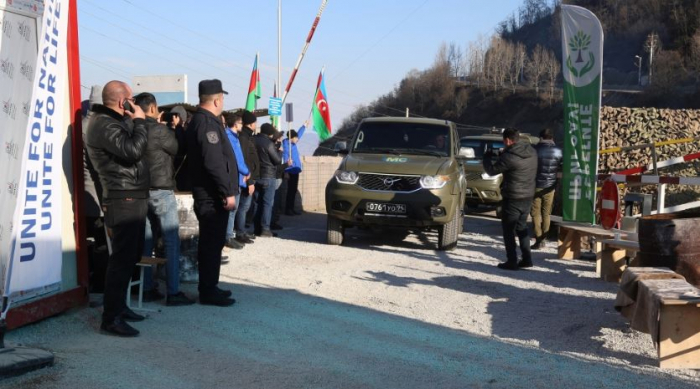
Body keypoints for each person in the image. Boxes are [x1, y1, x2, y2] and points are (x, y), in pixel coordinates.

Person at [86, 80, 149, 337]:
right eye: (131, 98)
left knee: (130, 256)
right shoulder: (103, 124)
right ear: (123, 100)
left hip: (132, 194)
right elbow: (132, 151)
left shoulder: (113, 121)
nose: (134, 103)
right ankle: (110, 318)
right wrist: (141, 121)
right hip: (123, 197)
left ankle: (120, 307)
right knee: (121, 260)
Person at [134, 92, 194, 306]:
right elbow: (178, 149)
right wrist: (175, 128)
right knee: (171, 240)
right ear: (152, 108)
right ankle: (173, 292)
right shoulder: (159, 131)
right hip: (161, 190)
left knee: (146, 242)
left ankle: (147, 288)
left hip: (141, 191)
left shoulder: (133, 128)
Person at [186, 79, 238, 306]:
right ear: (217, 100)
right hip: (211, 195)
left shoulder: (206, 121)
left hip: (211, 193)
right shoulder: (206, 123)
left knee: (214, 243)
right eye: (222, 98)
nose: (223, 102)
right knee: (210, 243)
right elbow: (214, 162)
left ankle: (211, 286)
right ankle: (207, 291)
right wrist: (227, 191)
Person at [483, 128, 538, 270]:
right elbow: (515, 158)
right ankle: (527, 259)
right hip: (528, 195)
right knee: (522, 227)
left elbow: (491, 170)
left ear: (507, 140)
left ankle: (512, 261)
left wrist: (487, 157)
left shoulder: (509, 156)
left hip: (513, 197)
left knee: (508, 230)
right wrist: (503, 152)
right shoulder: (531, 152)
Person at [223, 112, 252, 248]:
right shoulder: (229, 137)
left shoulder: (235, 137)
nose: (242, 125)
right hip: (233, 178)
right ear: (235, 124)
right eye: (240, 123)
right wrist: (246, 171)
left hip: (239, 177)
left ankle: (230, 234)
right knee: (232, 209)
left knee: (234, 209)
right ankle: (227, 237)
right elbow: (236, 159)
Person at [531, 128, 563, 250]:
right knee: (546, 213)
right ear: (552, 138)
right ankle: (544, 238)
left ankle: (538, 238)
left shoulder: (535, 149)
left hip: (535, 185)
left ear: (541, 137)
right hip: (550, 186)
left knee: (535, 213)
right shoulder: (559, 151)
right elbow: (561, 165)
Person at [253, 123, 283, 237]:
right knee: (267, 204)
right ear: (269, 133)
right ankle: (265, 229)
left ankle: (256, 229)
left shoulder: (253, 140)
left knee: (257, 203)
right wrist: (280, 151)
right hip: (268, 176)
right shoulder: (268, 144)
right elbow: (277, 160)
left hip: (256, 176)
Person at [236, 111, 259, 239]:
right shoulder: (243, 138)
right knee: (243, 207)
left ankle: (242, 230)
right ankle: (240, 232)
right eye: (255, 122)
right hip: (246, 179)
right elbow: (244, 160)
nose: (256, 124)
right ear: (250, 124)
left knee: (246, 206)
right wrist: (249, 181)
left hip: (250, 177)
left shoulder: (247, 136)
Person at [282, 122, 306, 215]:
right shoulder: (287, 146)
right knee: (290, 191)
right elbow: (285, 159)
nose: (297, 139)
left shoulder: (293, 143)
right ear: (291, 138)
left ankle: (291, 208)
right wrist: (286, 171)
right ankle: (288, 209)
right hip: (290, 170)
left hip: (295, 170)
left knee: (294, 190)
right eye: (295, 138)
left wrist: (303, 126)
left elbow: (299, 134)